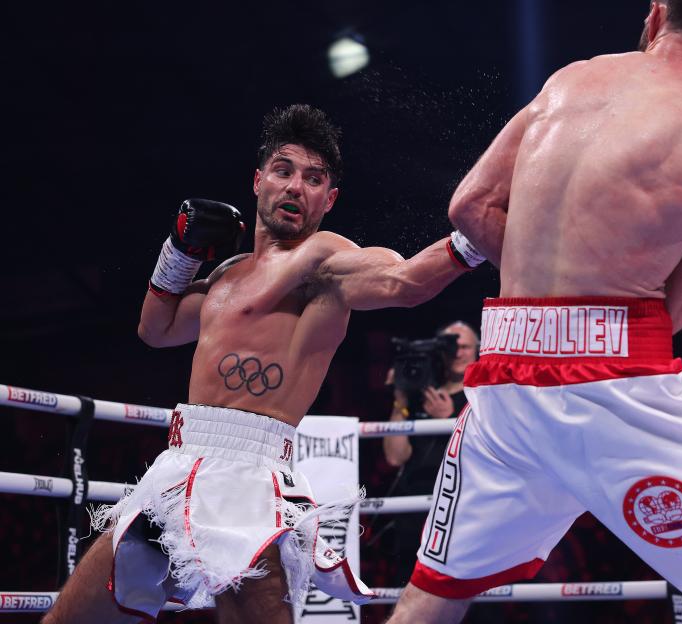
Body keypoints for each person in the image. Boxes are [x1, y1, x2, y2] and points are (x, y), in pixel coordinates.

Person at [388, 2, 682, 623]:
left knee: (430, 596)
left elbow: (469, 207)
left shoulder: (569, 81)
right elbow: (669, 317)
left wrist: (542, 282)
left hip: (506, 377)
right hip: (616, 379)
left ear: (656, 14)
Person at [43, 104, 486, 624]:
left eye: (313, 178)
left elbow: (404, 282)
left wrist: (475, 237)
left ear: (330, 198)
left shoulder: (322, 261)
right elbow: (155, 329)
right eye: (284, 170)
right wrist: (180, 253)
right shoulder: (228, 272)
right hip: (177, 467)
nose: (296, 186)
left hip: (247, 475)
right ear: (258, 181)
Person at [382, 322, 479, 584]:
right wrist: (400, 400)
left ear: (477, 350)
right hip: (415, 510)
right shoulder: (420, 393)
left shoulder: (483, 395)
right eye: (451, 346)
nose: (458, 352)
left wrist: (449, 422)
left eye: (464, 346)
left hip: (462, 509)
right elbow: (395, 456)